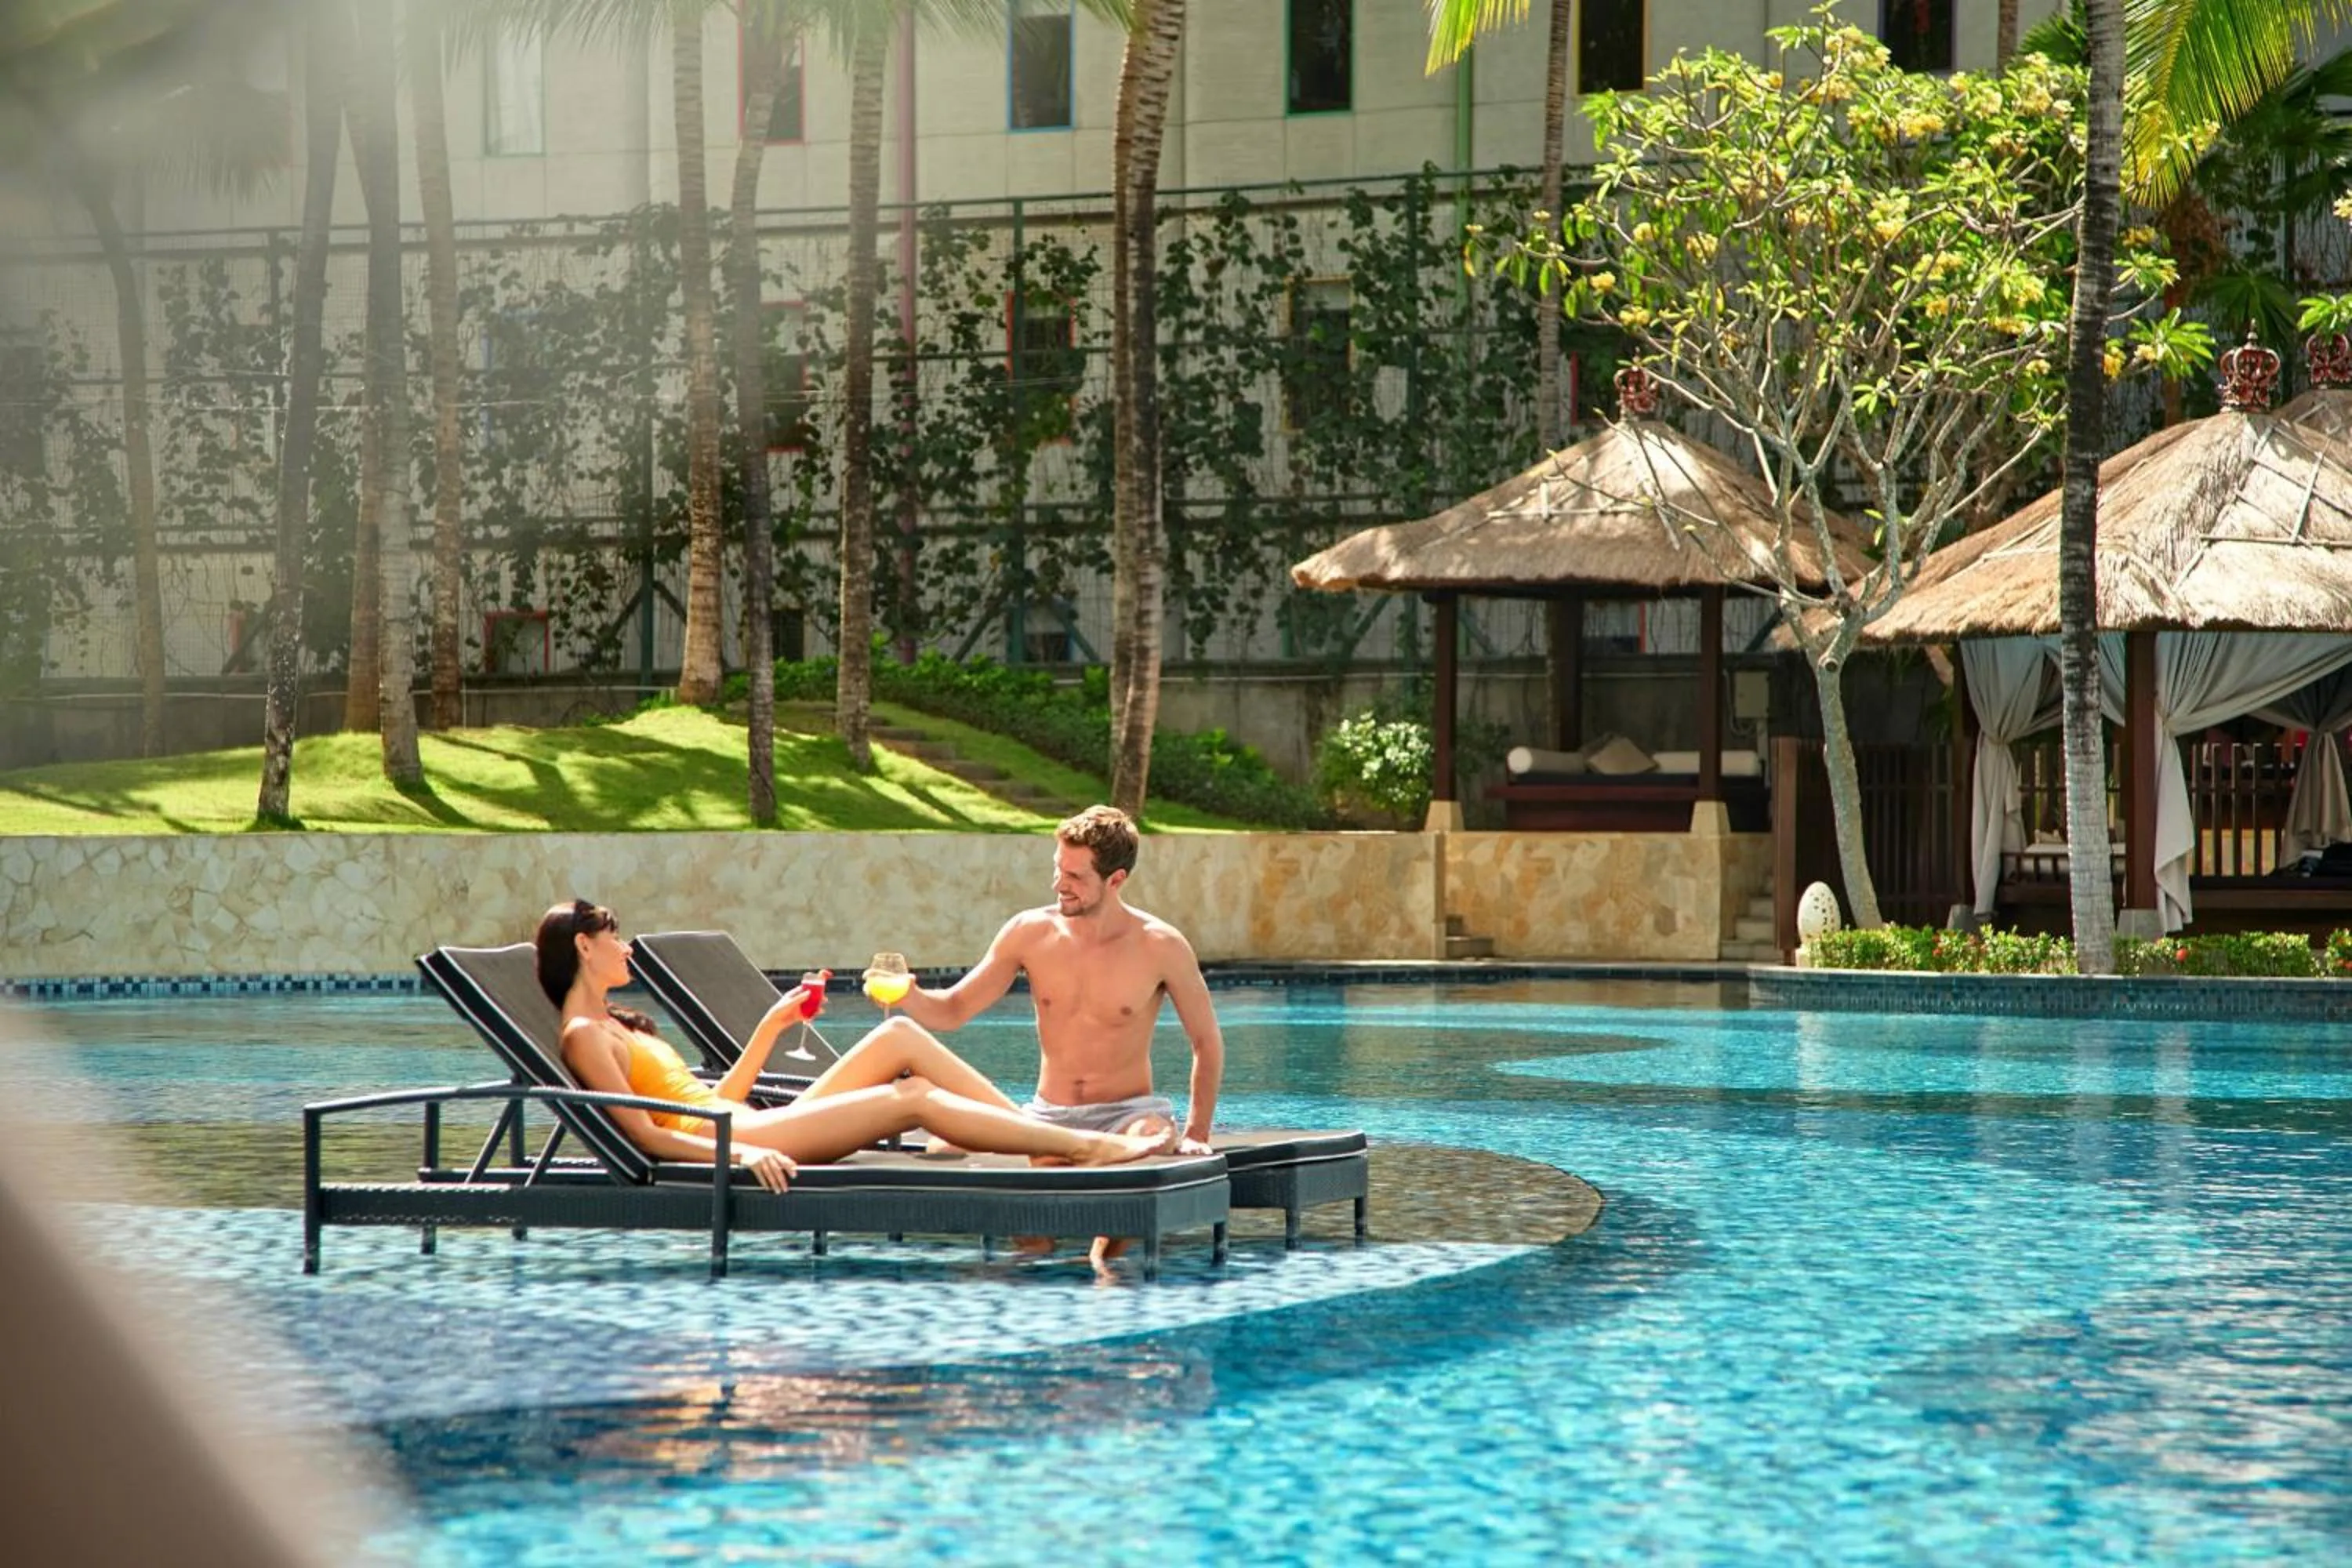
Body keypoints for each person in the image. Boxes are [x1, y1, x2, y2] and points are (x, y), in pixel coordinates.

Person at [534, 899, 1174, 1192]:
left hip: (750, 1123)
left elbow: (709, 1099)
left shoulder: (621, 1023)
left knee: (898, 1032)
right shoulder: (586, 1035)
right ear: (583, 949)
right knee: (914, 1098)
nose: (627, 948)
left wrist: (770, 1029)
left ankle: (1031, 1139)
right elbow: (646, 1137)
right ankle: (1086, 1146)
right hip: (748, 1143)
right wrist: (737, 1158)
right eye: (614, 939)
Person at [893, 805, 1225, 1261]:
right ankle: (1037, 1280)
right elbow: (952, 1010)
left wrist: (1196, 1132)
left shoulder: (1160, 945)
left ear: (1116, 880)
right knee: (943, 1147)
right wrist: (908, 994)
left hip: (1126, 1114)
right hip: (1048, 1116)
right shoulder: (1029, 932)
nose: (1059, 884)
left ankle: (1103, 1270)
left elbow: (1206, 1042)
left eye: (1075, 876)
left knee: (1150, 1140)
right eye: (1058, 869)